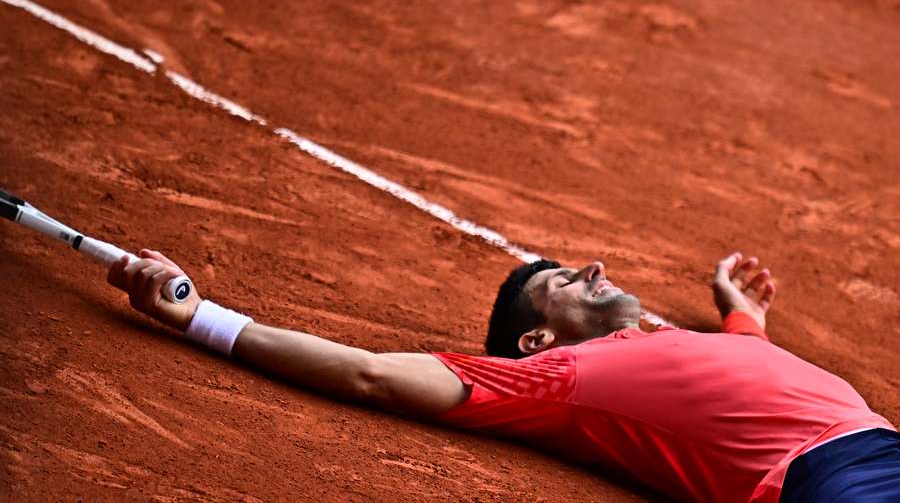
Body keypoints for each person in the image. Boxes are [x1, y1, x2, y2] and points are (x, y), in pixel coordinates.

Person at [107, 250, 899, 502]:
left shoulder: (702, 339)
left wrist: (743, 314)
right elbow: (371, 375)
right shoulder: (566, 375)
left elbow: (745, 367)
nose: (590, 266)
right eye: (558, 282)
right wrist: (202, 317)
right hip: (831, 479)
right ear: (537, 336)